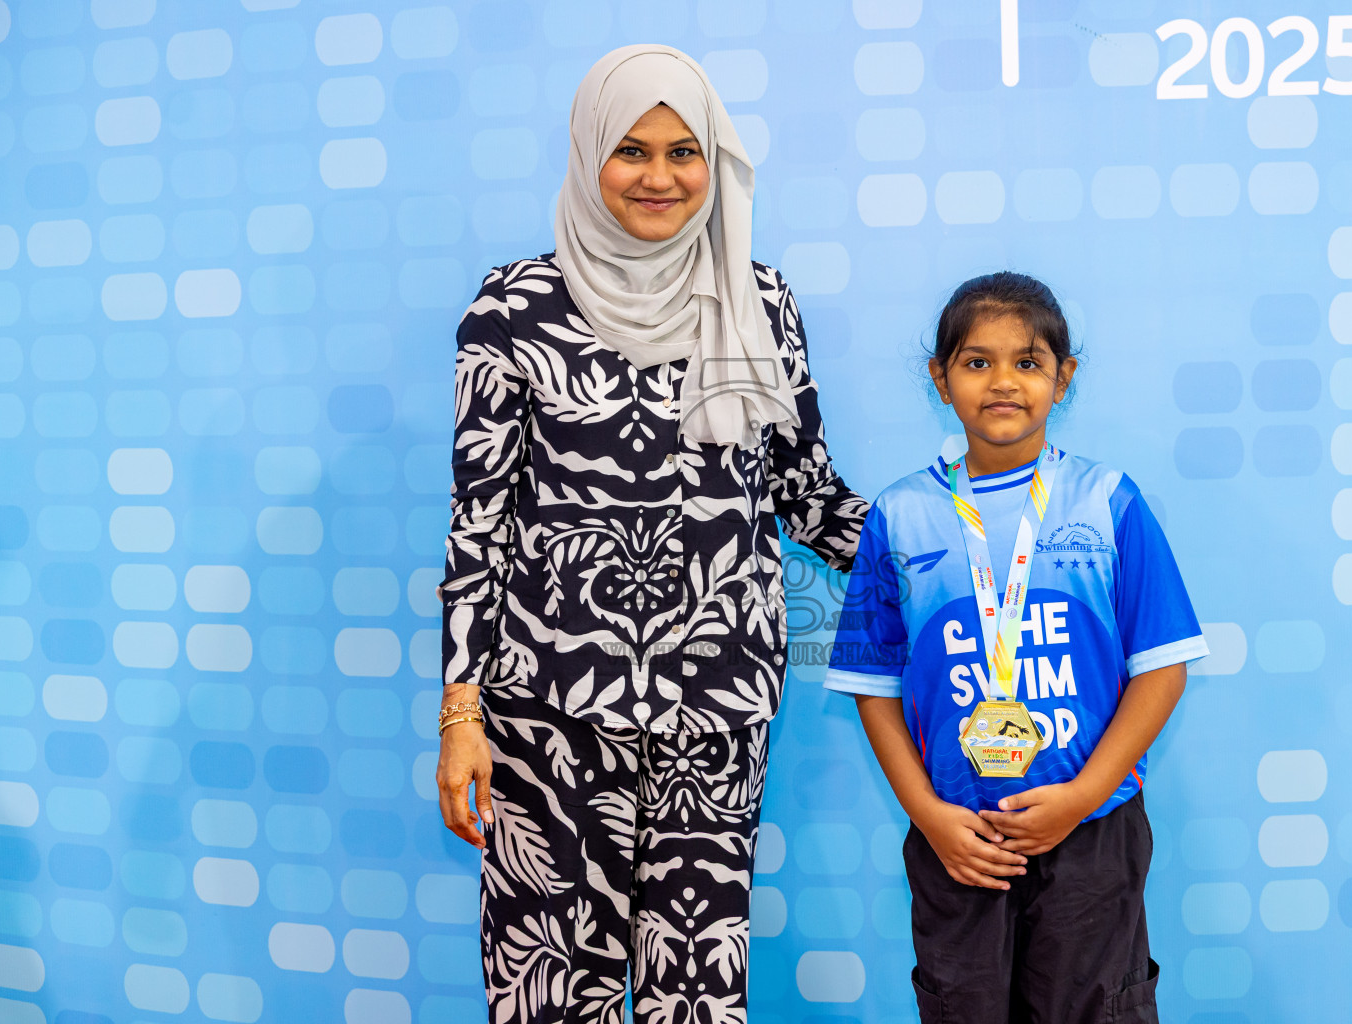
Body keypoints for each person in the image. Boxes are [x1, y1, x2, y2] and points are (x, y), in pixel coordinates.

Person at [434, 45, 868, 1024]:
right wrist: (462, 713)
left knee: (698, 999)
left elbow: (803, 492)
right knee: (552, 995)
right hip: (550, 713)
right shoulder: (513, 309)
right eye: (632, 150)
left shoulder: (761, 301)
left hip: (715, 714)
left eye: (686, 151)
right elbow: (480, 521)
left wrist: (942, 542)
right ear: (590, 155)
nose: (661, 177)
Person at [823, 272, 1209, 1023]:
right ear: (940, 377)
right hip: (957, 839)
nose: (1003, 382)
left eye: (1028, 362)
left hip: (1092, 830)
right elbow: (874, 686)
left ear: (1064, 378)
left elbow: (1161, 674)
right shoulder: (900, 516)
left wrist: (1082, 797)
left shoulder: (1107, 501)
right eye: (977, 362)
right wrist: (929, 816)